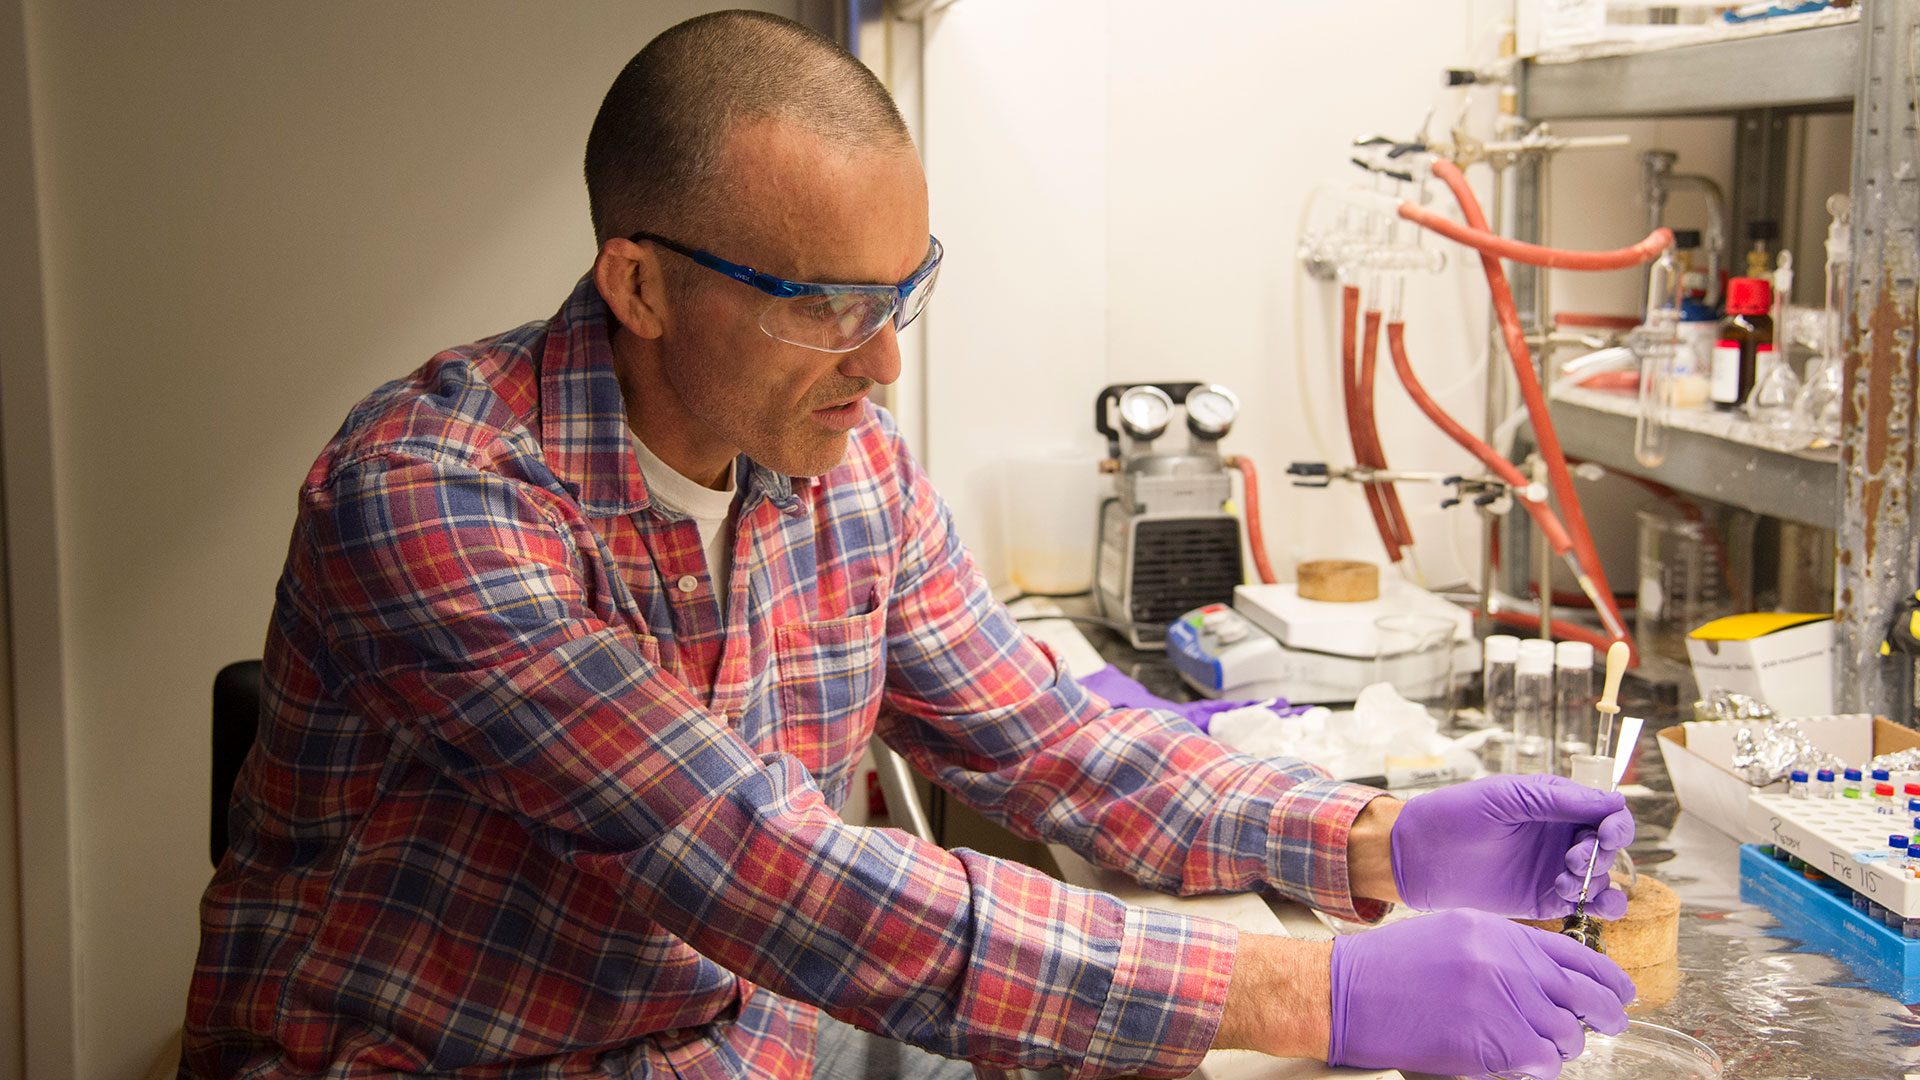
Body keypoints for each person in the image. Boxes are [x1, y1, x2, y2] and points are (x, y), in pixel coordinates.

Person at [183, 11, 1636, 1080]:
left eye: (902, 294)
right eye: (823, 304)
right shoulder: (428, 495)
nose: (880, 369)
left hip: (730, 1052)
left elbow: (1046, 737)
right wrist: (1311, 993)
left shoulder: (835, 456)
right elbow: (765, 871)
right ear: (637, 281)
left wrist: (1373, 837)